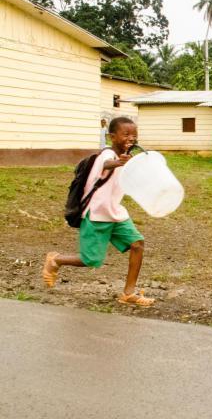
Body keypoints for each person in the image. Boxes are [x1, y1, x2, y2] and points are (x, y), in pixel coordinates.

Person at [42, 117, 154, 307]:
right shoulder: (107, 155)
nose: (131, 138)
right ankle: (56, 259)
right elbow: (107, 164)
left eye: (134, 135)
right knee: (91, 260)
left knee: (137, 244)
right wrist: (119, 162)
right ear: (112, 136)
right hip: (97, 215)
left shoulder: (127, 159)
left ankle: (128, 293)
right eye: (125, 134)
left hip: (116, 213)